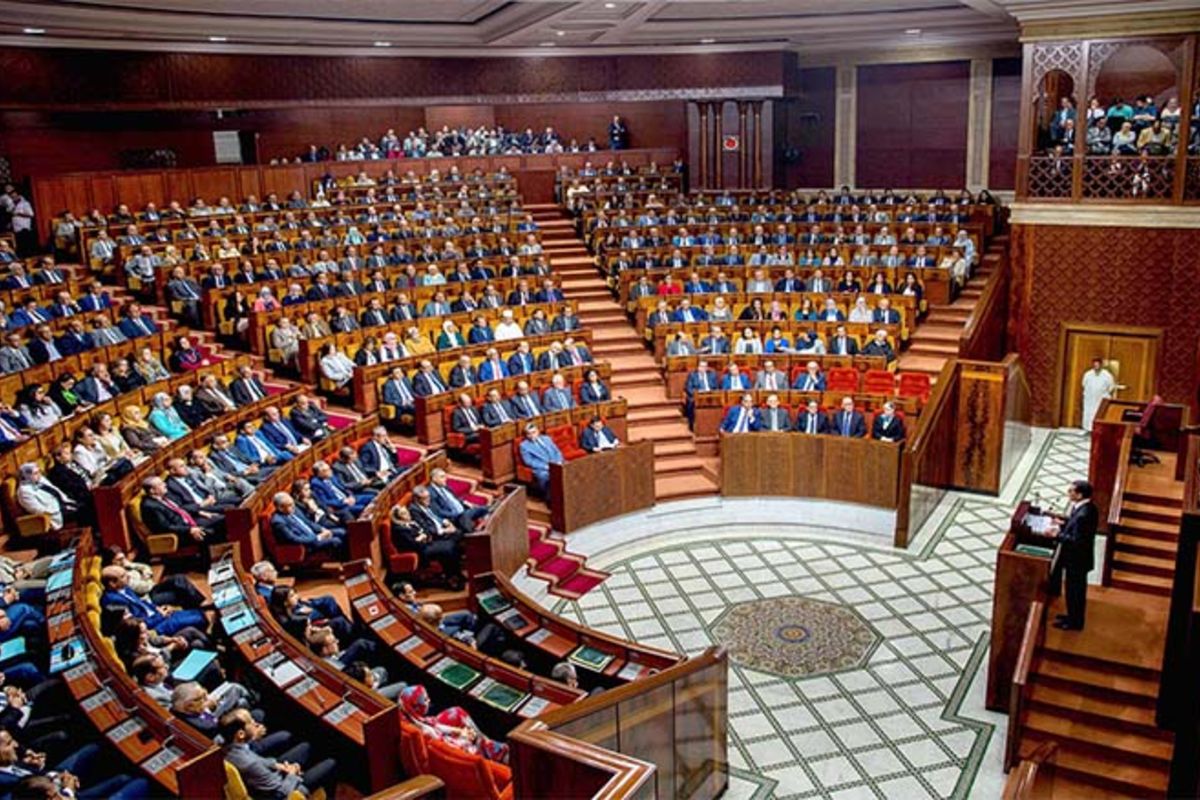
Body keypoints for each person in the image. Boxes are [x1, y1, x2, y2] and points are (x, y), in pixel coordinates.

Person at [219, 709, 337, 800]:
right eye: (250, 722)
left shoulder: (228, 748)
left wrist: (278, 765)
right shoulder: (250, 764)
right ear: (240, 734)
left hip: (272, 776)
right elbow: (280, 793)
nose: (255, 723)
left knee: (306, 747)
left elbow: (259, 760)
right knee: (331, 763)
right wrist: (292, 773)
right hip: (288, 790)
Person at [399, 685, 509, 764]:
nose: (429, 701)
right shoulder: (428, 732)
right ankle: (495, 752)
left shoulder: (411, 716)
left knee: (457, 712)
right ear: (416, 707)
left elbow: (437, 725)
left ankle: (486, 742)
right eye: (425, 700)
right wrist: (466, 737)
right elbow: (447, 748)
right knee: (481, 741)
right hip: (453, 753)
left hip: (444, 739)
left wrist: (460, 731)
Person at [1050, 480, 1098, 631]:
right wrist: (1063, 523)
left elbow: (1076, 541)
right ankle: (1071, 616)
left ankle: (1075, 623)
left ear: (1080, 495)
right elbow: (1074, 526)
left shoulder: (1083, 515)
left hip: (1077, 561)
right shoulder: (1086, 507)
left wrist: (1057, 534)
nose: (1068, 493)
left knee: (1074, 592)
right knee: (1073, 590)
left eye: (1071, 491)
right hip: (1078, 559)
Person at [518, 423, 563, 492]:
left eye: (533, 432)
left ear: (538, 431)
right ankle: (549, 495)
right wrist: (546, 467)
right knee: (544, 476)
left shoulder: (546, 438)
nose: (531, 435)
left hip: (556, 462)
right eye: (529, 434)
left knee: (570, 467)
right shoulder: (524, 446)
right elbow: (529, 461)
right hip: (542, 468)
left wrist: (559, 461)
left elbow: (557, 451)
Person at [1080, 357, 1116, 431]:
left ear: (1101, 365)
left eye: (1098, 365)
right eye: (1094, 365)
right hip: (1089, 399)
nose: (1096, 366)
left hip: (1101, 399)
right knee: (1088, 413)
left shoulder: (1107, 375)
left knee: (1099, 414)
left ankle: (1097, 430)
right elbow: (1083, 384)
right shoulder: (1088, 374)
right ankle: (1087, 429)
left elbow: (1111, 387)